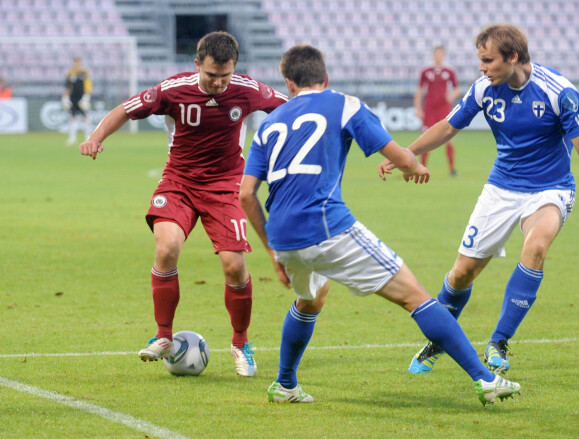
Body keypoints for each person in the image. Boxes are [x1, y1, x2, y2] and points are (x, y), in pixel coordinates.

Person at [239, 44, 521, 405]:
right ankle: (484, 379)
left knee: (310, 299)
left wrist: (272, 251)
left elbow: (247, 195)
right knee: (416, 296)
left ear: (289, 84)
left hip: (282, 236)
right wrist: (414, 166)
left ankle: (284, 384)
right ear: (325, 79)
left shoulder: (270, 122)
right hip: (327, 226)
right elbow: (397, 154)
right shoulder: (344, 104)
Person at [379, 24, 579, 375]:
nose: (481, 68)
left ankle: (499, 340)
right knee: (461, 274)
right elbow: (447, 126)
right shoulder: (483, 89)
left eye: (487, 60)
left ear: (513, 57)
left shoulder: (559, 92)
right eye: (480, 60)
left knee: (536, 247)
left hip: (550, 189)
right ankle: (440, 339)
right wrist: (405, 154)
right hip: (501, 189)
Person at [79, 31, 289, 376]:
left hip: (226, 187)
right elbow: (125, 109)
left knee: (235, 266)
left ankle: (240, 344)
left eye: (225, 76)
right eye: (211, 76)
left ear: (234, 68)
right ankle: (163, 335)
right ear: (197, 65)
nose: (219, 83)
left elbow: (292, 107)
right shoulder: (172, 90)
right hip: (179, 182)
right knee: (167, 248)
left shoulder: (249, 90)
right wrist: (95, 138)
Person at [414, 45, 460, 174]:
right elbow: (419, 90)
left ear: (443, 55)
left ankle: (452, 169)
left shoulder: (449, 71)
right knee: (425, 137)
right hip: (429, 107)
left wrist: (451, 95)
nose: (438, 56)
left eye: (441, 53)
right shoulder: (426, 71)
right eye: (436, 53)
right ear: (434, 55)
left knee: (448, 137)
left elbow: (457, 89)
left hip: (444, 108)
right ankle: (421, 167)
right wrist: (417, 108)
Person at [62, 57, 93, 145]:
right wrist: (65, 98)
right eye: (75, 63)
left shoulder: (85, 73)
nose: (77, 65)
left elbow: (88, 86)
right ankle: (72, 138)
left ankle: (88, 137)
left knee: (85, 117)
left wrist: (86, 97)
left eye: (78, 63)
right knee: (72, 117)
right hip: (73, 98)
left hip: (82, 97)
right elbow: (68, 87)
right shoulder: (70, 73)